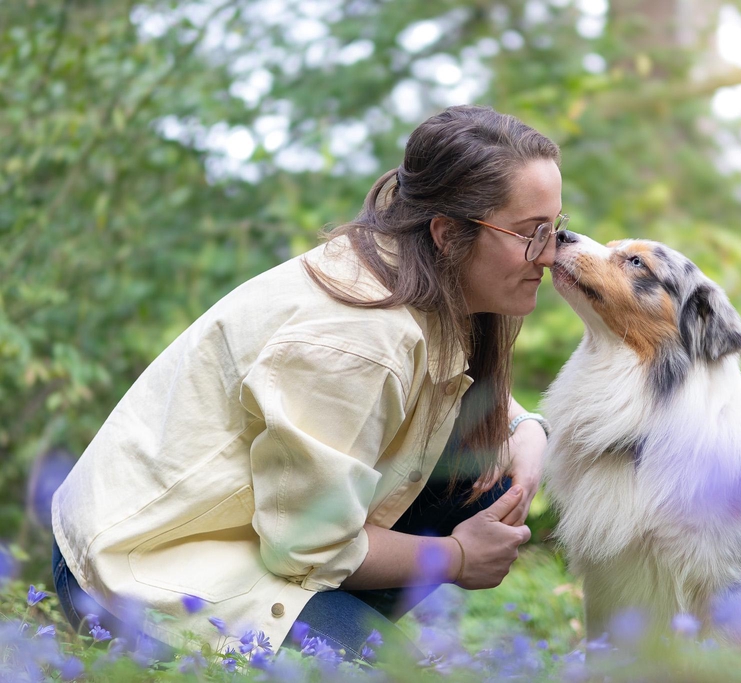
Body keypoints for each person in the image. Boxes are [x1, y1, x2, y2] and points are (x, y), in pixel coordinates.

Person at [50, 104, 566, 659]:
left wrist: (527, 430)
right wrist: (457, 557)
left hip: (260, 533)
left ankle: (336, 635)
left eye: (554, 229)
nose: (552, 255)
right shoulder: (358, 342)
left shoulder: (420, 278)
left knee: (482, 472)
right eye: (530, 234)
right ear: (447, 234)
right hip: (141, 568)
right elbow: (305, 548)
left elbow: (457, 396)